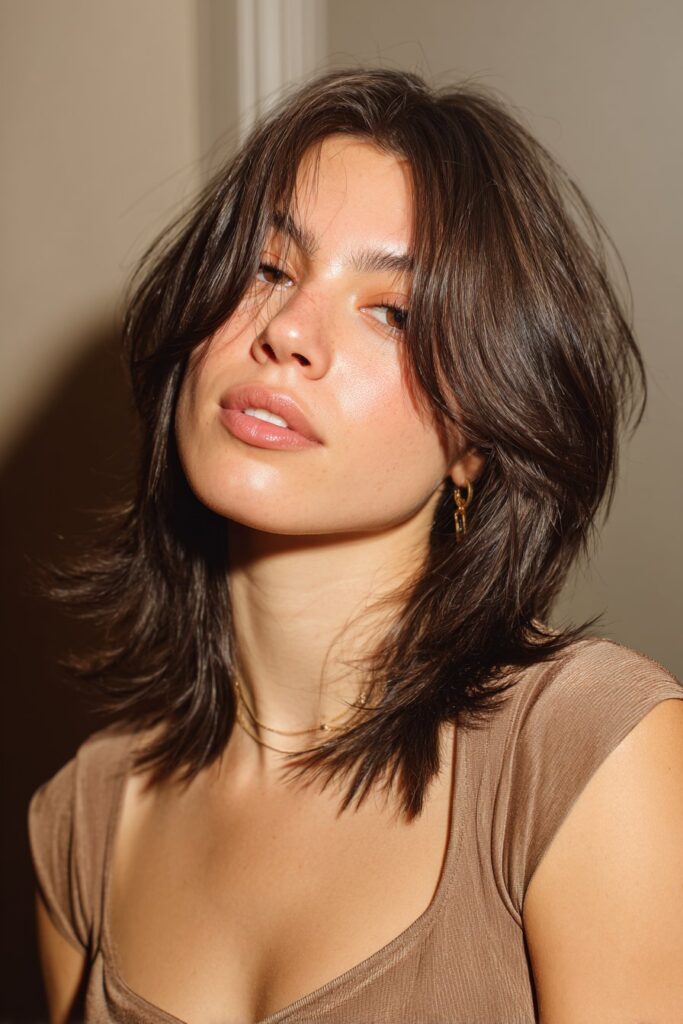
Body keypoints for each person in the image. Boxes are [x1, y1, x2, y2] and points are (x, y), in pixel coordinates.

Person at [28, 66, 683, 1023]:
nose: (288, 331)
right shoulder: (82, 816)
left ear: (473, 441)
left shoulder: (590, 751)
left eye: (393, 313)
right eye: (267, 268)